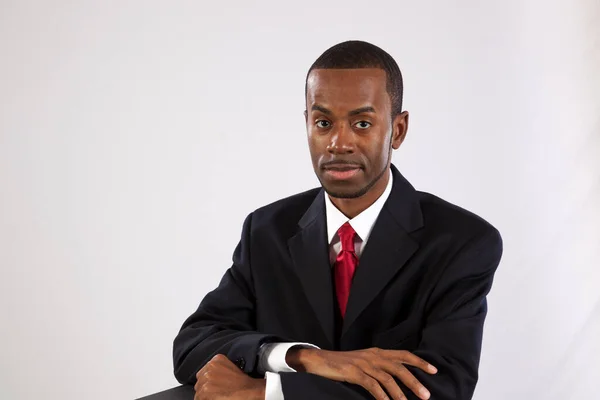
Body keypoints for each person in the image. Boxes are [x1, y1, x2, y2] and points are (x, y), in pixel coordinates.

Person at [172, 40, 503, 400]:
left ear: (399, 130)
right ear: (307, 124)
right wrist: (306, 358)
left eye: (362, 123)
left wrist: (268, 393)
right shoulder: (266, 230)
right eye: (323, 122)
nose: (337, 143)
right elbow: (193, 345)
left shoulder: (463, 242)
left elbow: (441, 391)